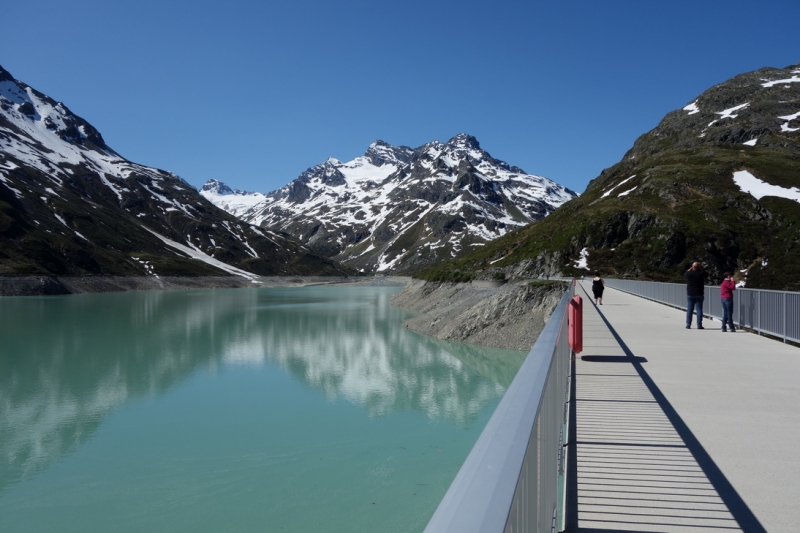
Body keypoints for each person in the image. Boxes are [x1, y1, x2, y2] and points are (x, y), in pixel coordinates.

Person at [684, 262, 708, 329]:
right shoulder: (701, 274)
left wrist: (691, 268)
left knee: (689, 309)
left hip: (690, 293)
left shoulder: (689, 274)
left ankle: (688, 324)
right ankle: (699, 325)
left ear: (692, 267)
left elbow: (685, 273)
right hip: (699, 293)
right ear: (699, 267)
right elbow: (706, 274)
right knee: (699, 309)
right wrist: (701, 268)